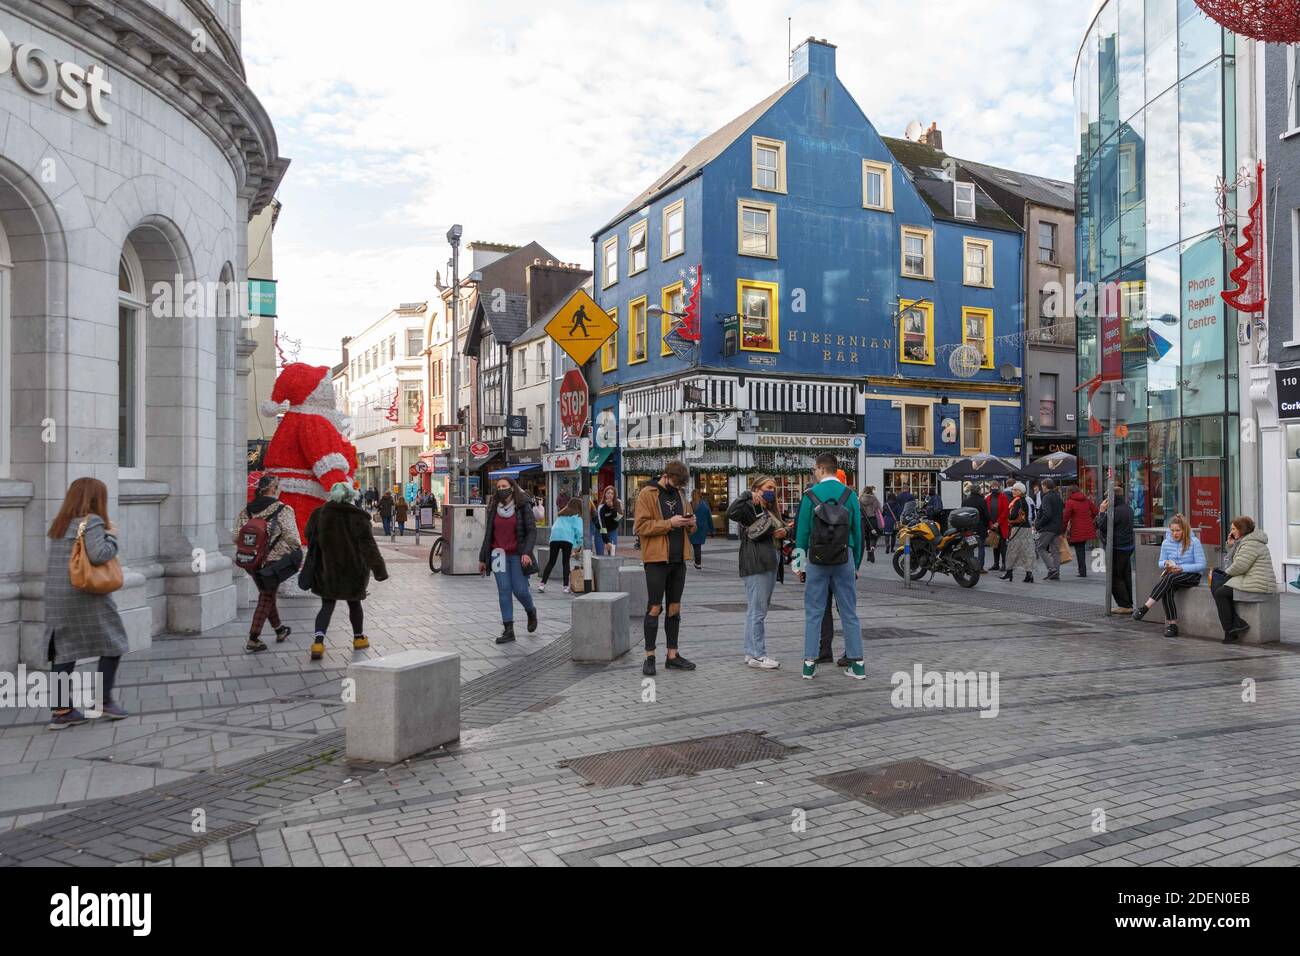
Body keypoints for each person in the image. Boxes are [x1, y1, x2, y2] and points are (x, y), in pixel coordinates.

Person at [43, 477, 131, 728]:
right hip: (85, 595)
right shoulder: (92, 522)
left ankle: (62, 712)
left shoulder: (60, 524)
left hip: (58, 596)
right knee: (115, 643)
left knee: (63, 650)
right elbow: (99, 554)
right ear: (96, 499)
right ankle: (103, 702)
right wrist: (111, 536)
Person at [796, 453, 865, 680]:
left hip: (816, 560)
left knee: (814, 612)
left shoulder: (810, 495)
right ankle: (857, 665)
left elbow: (802, 533)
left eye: (814, 470)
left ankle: (809, 664)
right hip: (845, 557)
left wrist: (799, 566)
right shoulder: (850, 495)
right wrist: (855, 564)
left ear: (820, 469)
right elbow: (857, 531)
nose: (814, 473)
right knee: (849, 612)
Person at [304, 482, 388, 660]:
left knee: (327, 605)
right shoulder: (359, 517)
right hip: (354, 570)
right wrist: (379, 570)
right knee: (354, 603)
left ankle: (318, 642)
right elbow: (369, 547)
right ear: (351, 496)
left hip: (327, 569)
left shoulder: (319, 514)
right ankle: (358, 638)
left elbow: (308, 535)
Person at [633, 460, 696, 676]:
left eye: (681, 486)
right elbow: (640, 526)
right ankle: (649, 656)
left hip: (679, 560)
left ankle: (672, 655)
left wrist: (690, 522)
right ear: (666, 476)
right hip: (657, 561)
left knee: (674, 608)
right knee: (654, 608)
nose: (678, 488)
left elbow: (690, 527)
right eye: (675, 483)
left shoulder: (680, 494)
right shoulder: (648, 494)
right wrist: (670, 523)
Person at [233, 474, 300, 653]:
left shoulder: (246, 511)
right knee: (266, 597)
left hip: (252, 562)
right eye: (277, 486)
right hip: (274, 561)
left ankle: (280, 630)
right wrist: (295, 552)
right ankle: (254, 638)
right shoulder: (283, 509)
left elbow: (235, 536)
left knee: (267, 594)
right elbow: (293, 538)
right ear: (272, 489)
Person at [727, 475, 785, 669]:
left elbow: (779, 530)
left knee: (755, 610)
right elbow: (731, 512)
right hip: (757, 562)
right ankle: (758, 654)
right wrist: (747, 495)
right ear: (757, 488)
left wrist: (786, 532)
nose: (772, 490)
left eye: (774, 487)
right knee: (758, 611)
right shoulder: (750, 506)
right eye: (768, 487)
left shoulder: (770, 509)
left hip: (769, 560)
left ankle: (751, 652)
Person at [479, 477, 540, 644]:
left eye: (504, 486)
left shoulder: (523, 505)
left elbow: (531, 532)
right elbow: (488, 534)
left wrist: (527, 552)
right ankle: (508, 629)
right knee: (504, 590)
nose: (501, 489)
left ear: (512, 488)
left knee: (520, 590)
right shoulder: (493, 506)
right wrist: (483, 558)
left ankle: (530, 611)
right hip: (498, 554)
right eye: (498, 487)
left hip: (517, 555)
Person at [1133, 514, 1206, 637]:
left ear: (1184, 530)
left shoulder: (1194, 542)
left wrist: (1182, 568)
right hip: (1173, 575)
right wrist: (1166, 563)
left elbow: (1202, 564)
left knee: (1169, 578)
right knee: (1167, 588)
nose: (1175, 533)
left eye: (1178, 530)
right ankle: (1172, 625)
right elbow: (1160, 562)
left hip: (1191, 575)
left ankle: (1145, 608)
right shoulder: (1166, 542)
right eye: (1172, 530)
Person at [1212, 516, 1276, 643]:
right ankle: (1235, 625)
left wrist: (1226, 572)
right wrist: (1231, 545)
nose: (1231, 532)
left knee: (1220, 592)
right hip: (1249, 579)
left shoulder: (1251, 544)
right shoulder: (1245, 541)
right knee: (1217, 584)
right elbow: (1235, 561)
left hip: (1258, 584)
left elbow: (1239, 566)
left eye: (1234, 529)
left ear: (1242, 529)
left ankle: (1230, 630)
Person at [1096, 485, 1136, 613]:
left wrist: (1102, 511)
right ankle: (1128, 604)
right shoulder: (1128, 508)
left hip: (1117, 547)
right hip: (1127, 546)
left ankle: (1124, 605)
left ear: (1110, 498)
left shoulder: (1115, 511)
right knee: (1125, 575)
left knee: (1114, 577)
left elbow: (1102, 526)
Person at [540, 499, 583, 593]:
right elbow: (579, 531)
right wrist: (580, 544)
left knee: (551, 562)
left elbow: (555, 527)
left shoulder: (561, 514)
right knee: (565, 562)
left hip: (554, 538)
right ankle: (565, 586)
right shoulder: (576, 516)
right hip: (566, 539)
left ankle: (542, 584)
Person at [1001, 482, 1036, 583]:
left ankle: (1009, 572)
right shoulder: (1025, 499)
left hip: (1018, 528)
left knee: (1012, 550)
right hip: (1027, 528)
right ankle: (1029, 574)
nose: (1013, 491)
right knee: (1027, 551)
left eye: (1015, 489)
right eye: (1013, 489)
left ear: (1020, 491)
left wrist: (1008, 517)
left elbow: (1012, 516)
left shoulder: (1017, 501)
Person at [1062, 484, 1099, 577]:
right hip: (1087, 528)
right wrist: (1089, 519)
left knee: (1079, 550)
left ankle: (1082, 571)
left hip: (1077, 528)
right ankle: (1082, 570)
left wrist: (1063, 528)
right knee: (1081, 548)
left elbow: (1066, 516)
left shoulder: (1070, 502)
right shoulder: (1086, 500)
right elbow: (1095, 511)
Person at [1033, 477, 1065, 581]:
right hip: (1057, 527)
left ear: (1045, 486)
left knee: (1040, 547)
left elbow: (1047, 514)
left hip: (1048, 527)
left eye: (1042, 486)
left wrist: (1038, 525)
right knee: (1055, 551)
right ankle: (1056, 573)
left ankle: (1051, 569)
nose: (1042, 488)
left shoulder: (1046, 497)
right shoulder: (1057, 497)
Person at [961, 481, 991, 572]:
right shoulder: (982, 501)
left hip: (969, 528)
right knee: (981, 547)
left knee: (970, 547)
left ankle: (970, 565)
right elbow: (986, 515)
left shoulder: (965, 501)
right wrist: (986, 525)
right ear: (978, 491)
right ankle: (980, 567)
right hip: (980, 527)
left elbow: (962, 513)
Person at [985, 482, 1010, 571]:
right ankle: (996, 563)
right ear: (990, 488)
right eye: (993, 487)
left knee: (1003, 545)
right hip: (992, 524)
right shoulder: (988, 498)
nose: (994, 488)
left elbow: (1006, 511)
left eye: (996, 487)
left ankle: (1004, 563)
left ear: (999, 488)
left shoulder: (1003, 497)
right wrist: (991, 523)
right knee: (994, 544)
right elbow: (986, 512)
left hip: (1002, 525)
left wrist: (998, 522)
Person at [689, 490, 714, 569]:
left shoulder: (690, 505)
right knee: (697, 546)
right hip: (702, 529)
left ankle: (693, 561)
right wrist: (712, 530)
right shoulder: (705, 505)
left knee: (692, 545)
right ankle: (698, 563)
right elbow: (709, 518)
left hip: (692, 527)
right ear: (700, 495)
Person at [596, 486, 622, 556]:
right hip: (600, 530)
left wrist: (611, 508)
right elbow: (602, 524)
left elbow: (618, 518)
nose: (610, 495)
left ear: (614, 495)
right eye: (608, 493)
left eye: (612, 493)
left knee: (612, 553)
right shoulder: (601, 507)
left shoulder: (618, 503)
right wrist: (607, 541)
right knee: (600, 554)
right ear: (605, 494)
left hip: (612, 529)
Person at [859, 485, 882, 564]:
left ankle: (869, 553)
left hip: (863, 520)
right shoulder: (874, 499)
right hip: (872, 519)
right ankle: (872, 549)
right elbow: (878, 509)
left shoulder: (860, 499)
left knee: (866, 537)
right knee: (873, 537)